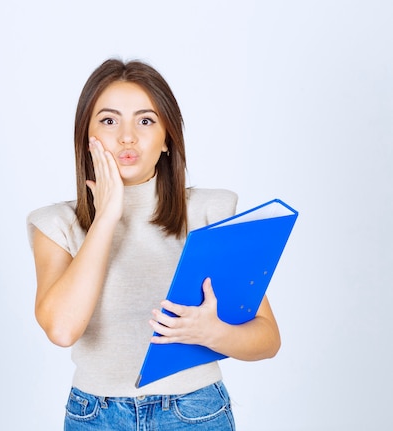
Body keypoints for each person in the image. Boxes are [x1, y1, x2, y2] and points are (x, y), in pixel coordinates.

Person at [26, 59, 281, 430]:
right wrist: (106, 217)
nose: (127, 137)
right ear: (86, 136)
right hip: (96, 416)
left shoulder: (209, 212)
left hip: (195, 413)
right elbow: (62, 330)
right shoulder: (55, 224)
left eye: (145, 121)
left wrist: (211, 333)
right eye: (109, 120)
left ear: (166, 139)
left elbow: (268, 339)